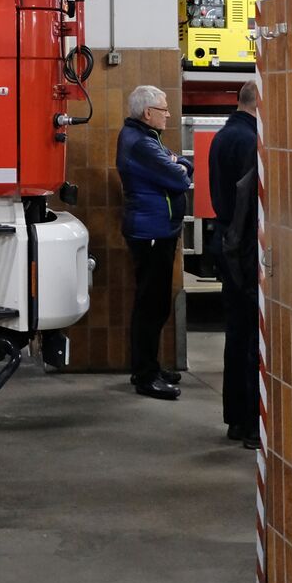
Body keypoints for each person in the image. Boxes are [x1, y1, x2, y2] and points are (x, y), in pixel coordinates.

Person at [115, 85, 192, 400]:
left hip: (158, 231)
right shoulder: (142, 144)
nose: (169, 114)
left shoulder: (146, 138)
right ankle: (146, 376)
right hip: (151, 234)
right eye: (164, 109)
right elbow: (180, 177)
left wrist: (178, 164)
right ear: (148, 113)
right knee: (151, 305)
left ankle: (150, 367)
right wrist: (178, 167)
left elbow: (180, 163)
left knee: (156, 304)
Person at [209, 80, 260, 447]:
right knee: (253, 338)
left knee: (236, 333)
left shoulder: (223, 135)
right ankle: (253, 425)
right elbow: (248, 204)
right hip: (244, 247)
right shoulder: (251, 141)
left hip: (225, 240)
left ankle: (236, 419)